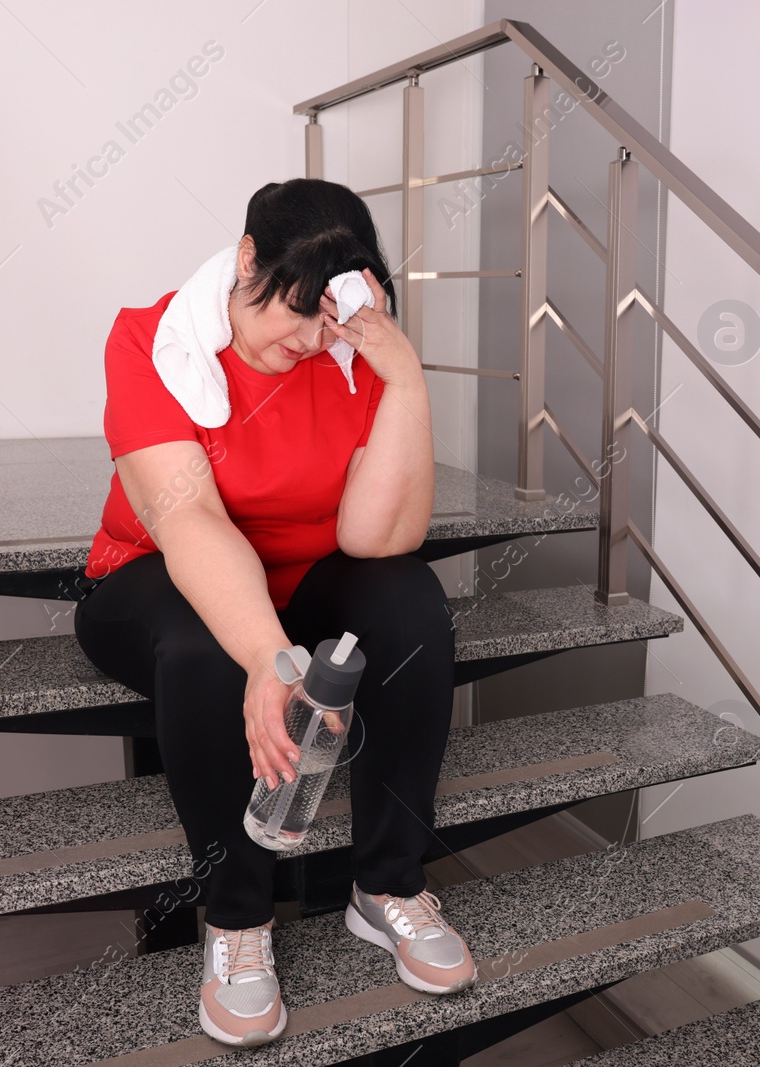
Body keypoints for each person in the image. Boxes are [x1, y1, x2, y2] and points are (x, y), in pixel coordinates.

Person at [72, 178, 475, 1048]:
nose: (305, 338)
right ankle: (237, 918)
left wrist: (402, 377)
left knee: (411, 601)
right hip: (153, 575)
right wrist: (267, 656)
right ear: (246, 259)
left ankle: (388, 887)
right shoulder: (150, 340)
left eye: (322, 316)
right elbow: (191, 524)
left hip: (299, 576)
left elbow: (380, 537)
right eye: (291, 311)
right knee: (204, 647)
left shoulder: (347, 351)